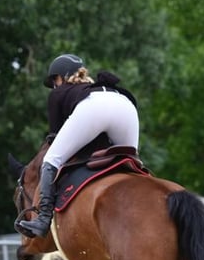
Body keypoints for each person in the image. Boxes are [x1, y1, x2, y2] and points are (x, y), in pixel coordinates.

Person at [17, 53, 139, 238]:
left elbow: (55, 140)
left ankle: (43, 219)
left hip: (95, 107)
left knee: (51, 159)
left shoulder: (59, 92)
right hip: (125, 105)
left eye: (54, 81)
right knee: (131, 161)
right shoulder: (93, 87)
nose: (54, 86)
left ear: (60, 77)